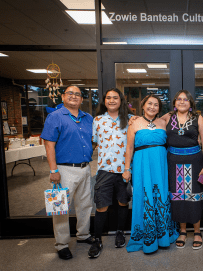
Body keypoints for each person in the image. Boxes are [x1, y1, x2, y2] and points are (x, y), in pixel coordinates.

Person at [41, 86, 94, 260]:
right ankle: (62, 244)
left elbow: (92, 141)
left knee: (85, 204)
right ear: (63, 96)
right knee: (61, 209)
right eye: (70, 93)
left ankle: (83, 235)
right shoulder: (55, 117)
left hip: (85, 168)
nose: (73, 96)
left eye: (77, 94)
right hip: (63, 170)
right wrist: (53, 170)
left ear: (81, 99)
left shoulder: (88, 118)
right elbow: (49, 145)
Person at [123, 94, 179, 253]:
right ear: (143, 105)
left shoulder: (164, 121)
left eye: (156, 105)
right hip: (142, 163)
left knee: (161, 195)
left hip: (161, 164)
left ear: (159, 109)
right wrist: (127, 169)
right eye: (149, 104)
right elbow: (129, 148)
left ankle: (163, 236)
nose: (152, 107)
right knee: (144, 195)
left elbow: (182, 110)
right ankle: (147, 238)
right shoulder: (134, 122)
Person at [88, 88, 134, 258]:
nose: (112, 100)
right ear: (104, 101)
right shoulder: (98, 120)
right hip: (104, 171)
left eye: (115, 98)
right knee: (101, 206)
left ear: (121, 101)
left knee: (123, 202)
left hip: (124, 170)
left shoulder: (130, 120)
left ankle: (120, 232)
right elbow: (93, 143)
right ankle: (97, 240)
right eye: (109, 98)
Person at [163, 90, 203, 249]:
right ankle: (182, 231)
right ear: (174, 102)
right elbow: (150, 123)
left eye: (185, 99)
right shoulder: (168, 117)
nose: (182, 102)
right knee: (178, 198)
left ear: (190, 103)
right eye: (179, 99)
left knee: (194, 197)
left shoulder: (198, 118)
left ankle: (197, 231)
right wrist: (134, 119)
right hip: (173, 163)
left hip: (194, 162)